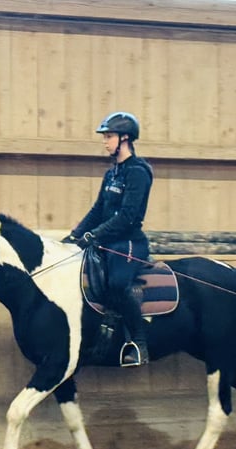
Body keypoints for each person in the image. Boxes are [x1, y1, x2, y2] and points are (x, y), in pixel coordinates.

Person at [63, 111, 154, 367]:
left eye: (109, 136)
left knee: (116, 283)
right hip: (105, 241)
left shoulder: (138, 172)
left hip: (128, 243)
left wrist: (95, 235)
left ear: (125, 138)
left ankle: (138, 342)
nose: (105, 142)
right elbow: (97, 210)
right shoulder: (111, 174)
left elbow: (127, 216)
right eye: (105, 137)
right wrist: (74, 236)